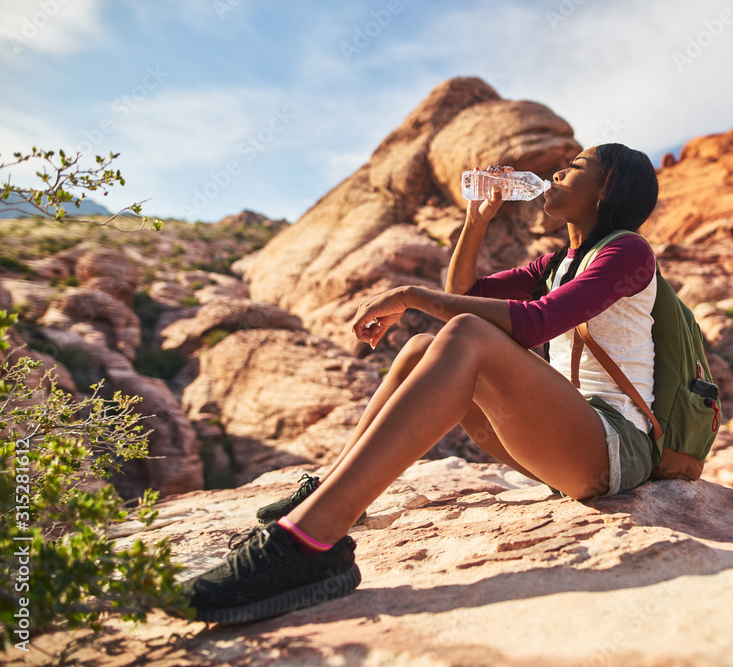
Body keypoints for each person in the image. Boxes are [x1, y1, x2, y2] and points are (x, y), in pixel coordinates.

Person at [178, 143, 661, 623]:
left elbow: (536, 323)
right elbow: (465, 294)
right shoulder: (556, 263)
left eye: (576, 166)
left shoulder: (626, 251)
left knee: (467, 334)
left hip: (613, 450)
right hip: (564, 446)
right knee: (422, 348)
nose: (557, 172)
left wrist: (410, 294)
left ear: (607, 189)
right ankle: (331, 493)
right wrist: (477, 219)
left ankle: (307, 546)